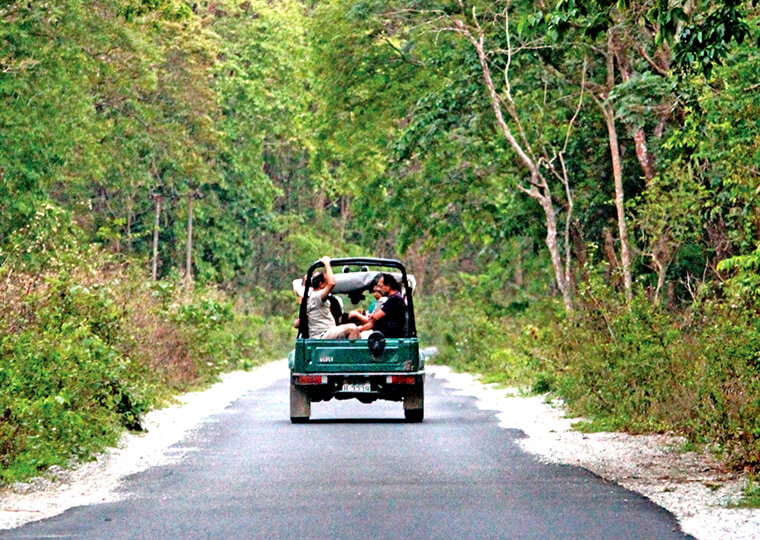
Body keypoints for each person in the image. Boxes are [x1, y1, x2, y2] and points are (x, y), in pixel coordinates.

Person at [305, 256, 358, 339]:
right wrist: (327, 264)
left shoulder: (311, 296)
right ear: (321, 284)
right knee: (352, 328)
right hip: (321, 335)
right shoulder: (316, 296)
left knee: (355, 329)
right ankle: (352, 352)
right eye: (326, 282)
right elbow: (332, 283)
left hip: (328, 331)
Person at [350, 273, 406, 339]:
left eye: (380, 286)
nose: (379, 289)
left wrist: (370, 317)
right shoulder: (393, 298)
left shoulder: (395, 299)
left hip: (390, 335)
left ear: (388, 286)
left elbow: (376, 317)